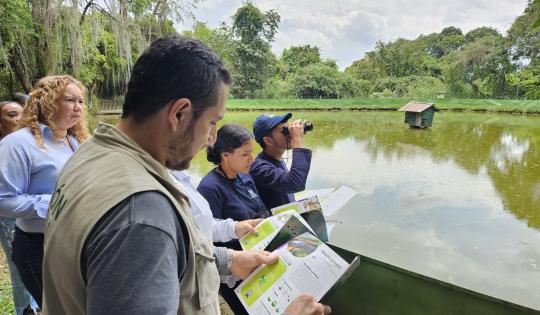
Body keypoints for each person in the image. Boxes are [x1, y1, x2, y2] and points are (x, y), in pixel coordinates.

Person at [42, 34, 328, 315]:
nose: (212, 139)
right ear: (179, 114)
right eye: (212, 123)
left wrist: (228, 259)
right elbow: (141, 245)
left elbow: (168, 257)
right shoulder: (142, 215)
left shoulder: (90, 153)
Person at [0, 75, 89, 309]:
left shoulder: (73, 141)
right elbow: (2, 201)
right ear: (47, 102)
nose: (78, 107)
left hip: (73, 241)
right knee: (60, 309)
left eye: (81, 101)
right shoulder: (18, 144)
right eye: (70, 100)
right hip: (38, 246)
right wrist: (53, 204)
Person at [197, 123, 270, 314]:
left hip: (260, 259)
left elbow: (261, 211)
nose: (252, 159)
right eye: (245, 154)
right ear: (225, 155)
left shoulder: (245, 177)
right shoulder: (209, 188)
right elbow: (208, 242)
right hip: (236, 273)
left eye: (252, 153)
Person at [0, 101, 38, 315]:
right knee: (18, 268)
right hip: (9, 217)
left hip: (33, 216)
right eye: (12, 114)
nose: (19, 118)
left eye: (22, 114)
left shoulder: (28, 145)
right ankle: (25, 310)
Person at [250, 113, 312, 209]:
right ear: (268, 141)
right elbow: (295, 184)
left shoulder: (276, 159)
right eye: (285, 131)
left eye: (287, 128)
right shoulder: (259, 168)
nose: (290, 133)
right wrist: (297, 139)